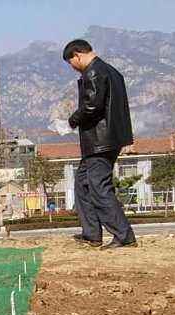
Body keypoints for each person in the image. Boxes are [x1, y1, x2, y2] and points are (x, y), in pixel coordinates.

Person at [63, 39, 138, 250]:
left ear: (77, 55)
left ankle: (124, 236)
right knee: (82, 184)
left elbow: (91, 106)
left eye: (70, 62)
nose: (72, 67)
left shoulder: (94, 72)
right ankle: (92, 233)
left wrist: (71, 120)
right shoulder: (111, 71)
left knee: (99, 188)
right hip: (105, 140)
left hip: (100, 141)